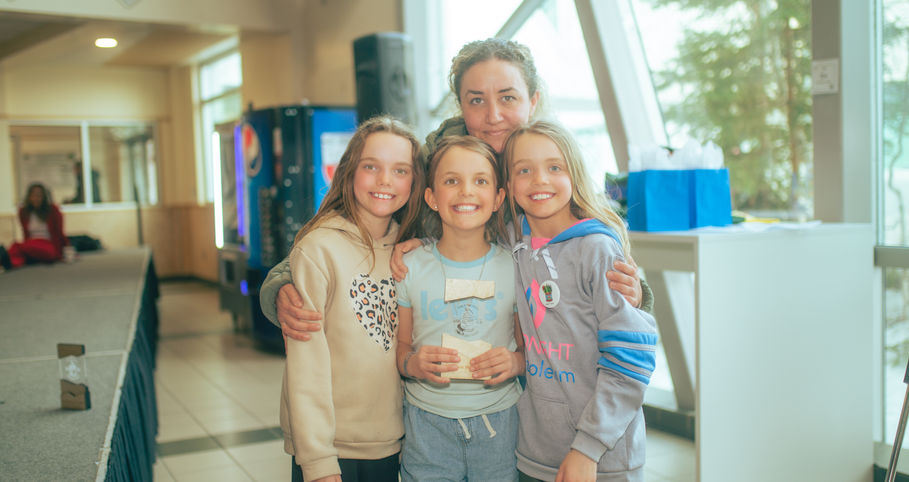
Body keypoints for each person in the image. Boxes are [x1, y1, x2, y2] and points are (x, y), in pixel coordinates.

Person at [261, 38, 652, 341]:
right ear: (461, 106)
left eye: (508, 98)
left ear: (532, 101)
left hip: (537, 373)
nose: (493, 116)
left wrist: (636, 293)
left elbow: (602, 254)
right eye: (476, 100)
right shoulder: (433, 163)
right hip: (437, 366)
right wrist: (281, 285)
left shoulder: (554, 170)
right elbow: (351, 222)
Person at [504, 120, 657, 482]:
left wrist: (588, 447)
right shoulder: (510, 243)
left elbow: (631, 356)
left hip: (603, 459)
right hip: (534, 454)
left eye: (554, 167)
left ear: (574, 174)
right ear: (507, 186)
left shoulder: (598, 250)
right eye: (524, 170)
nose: (540, 180)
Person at [280, 116, 425, 482]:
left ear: (415, 182)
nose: (385, 180)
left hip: (390, 444)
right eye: (371, 166)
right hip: (331, 449)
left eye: (400, 170)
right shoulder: (319, 249)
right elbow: (306, 366)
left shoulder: (412, 252)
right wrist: (318, 461)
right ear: (349, 172)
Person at [396, 136, 523, 481]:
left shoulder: (514, 268)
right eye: (452, 180)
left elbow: (528, 350)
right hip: (426, 424)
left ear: (498, 198)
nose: (466, 191)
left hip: (500, 423)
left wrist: (514, 362)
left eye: (480, 181)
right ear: (431, 198)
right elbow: (402, 348)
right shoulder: (410, 267)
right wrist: (413, 364)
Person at [0, 183, 68, 271]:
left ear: (44, 197)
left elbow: (60, 231)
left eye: (39, 195)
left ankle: (4, 259)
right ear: (29, 197)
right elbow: (25, 233)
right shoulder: (24, 211)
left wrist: (65, 249)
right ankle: (9, 263)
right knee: (20, 254)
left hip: (48, 244)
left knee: (17, 246)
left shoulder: (53, 210)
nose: (36, 198)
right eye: (33, 195)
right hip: (31, 243)